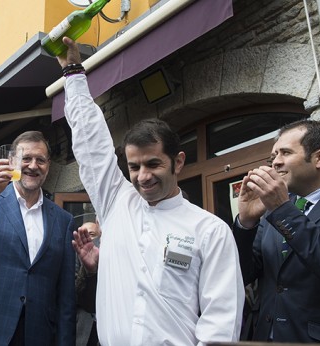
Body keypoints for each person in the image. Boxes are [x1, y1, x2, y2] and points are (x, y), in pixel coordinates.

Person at [59, 37, 244, 345]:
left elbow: (220, 324)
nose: (143, 177)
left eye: (153, 164)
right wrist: (74, 73)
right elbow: (91, 142)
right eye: (134, 167)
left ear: (178, 162)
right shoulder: (117, 203)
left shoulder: (210, 231)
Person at [232, 119, 320, 342]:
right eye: (273, 157)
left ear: (319, 157)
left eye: (285, 153)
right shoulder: (271, 214)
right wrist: (245, 224)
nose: (275, 163)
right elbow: (243, 274)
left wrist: (283, 209)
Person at [0, 131, 76, 345]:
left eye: (41, 160)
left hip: (37, 334)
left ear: (48, 166)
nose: (33, 166)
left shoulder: (64, 221)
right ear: (11, 162)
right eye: (26, 158)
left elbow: (65, 297)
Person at [74, 222, 100, 346]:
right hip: (84, 327)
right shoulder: (76, 255)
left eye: (92, 235)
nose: (88, 239)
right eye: (84, 235)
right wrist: (89, 270)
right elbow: (75, 292)